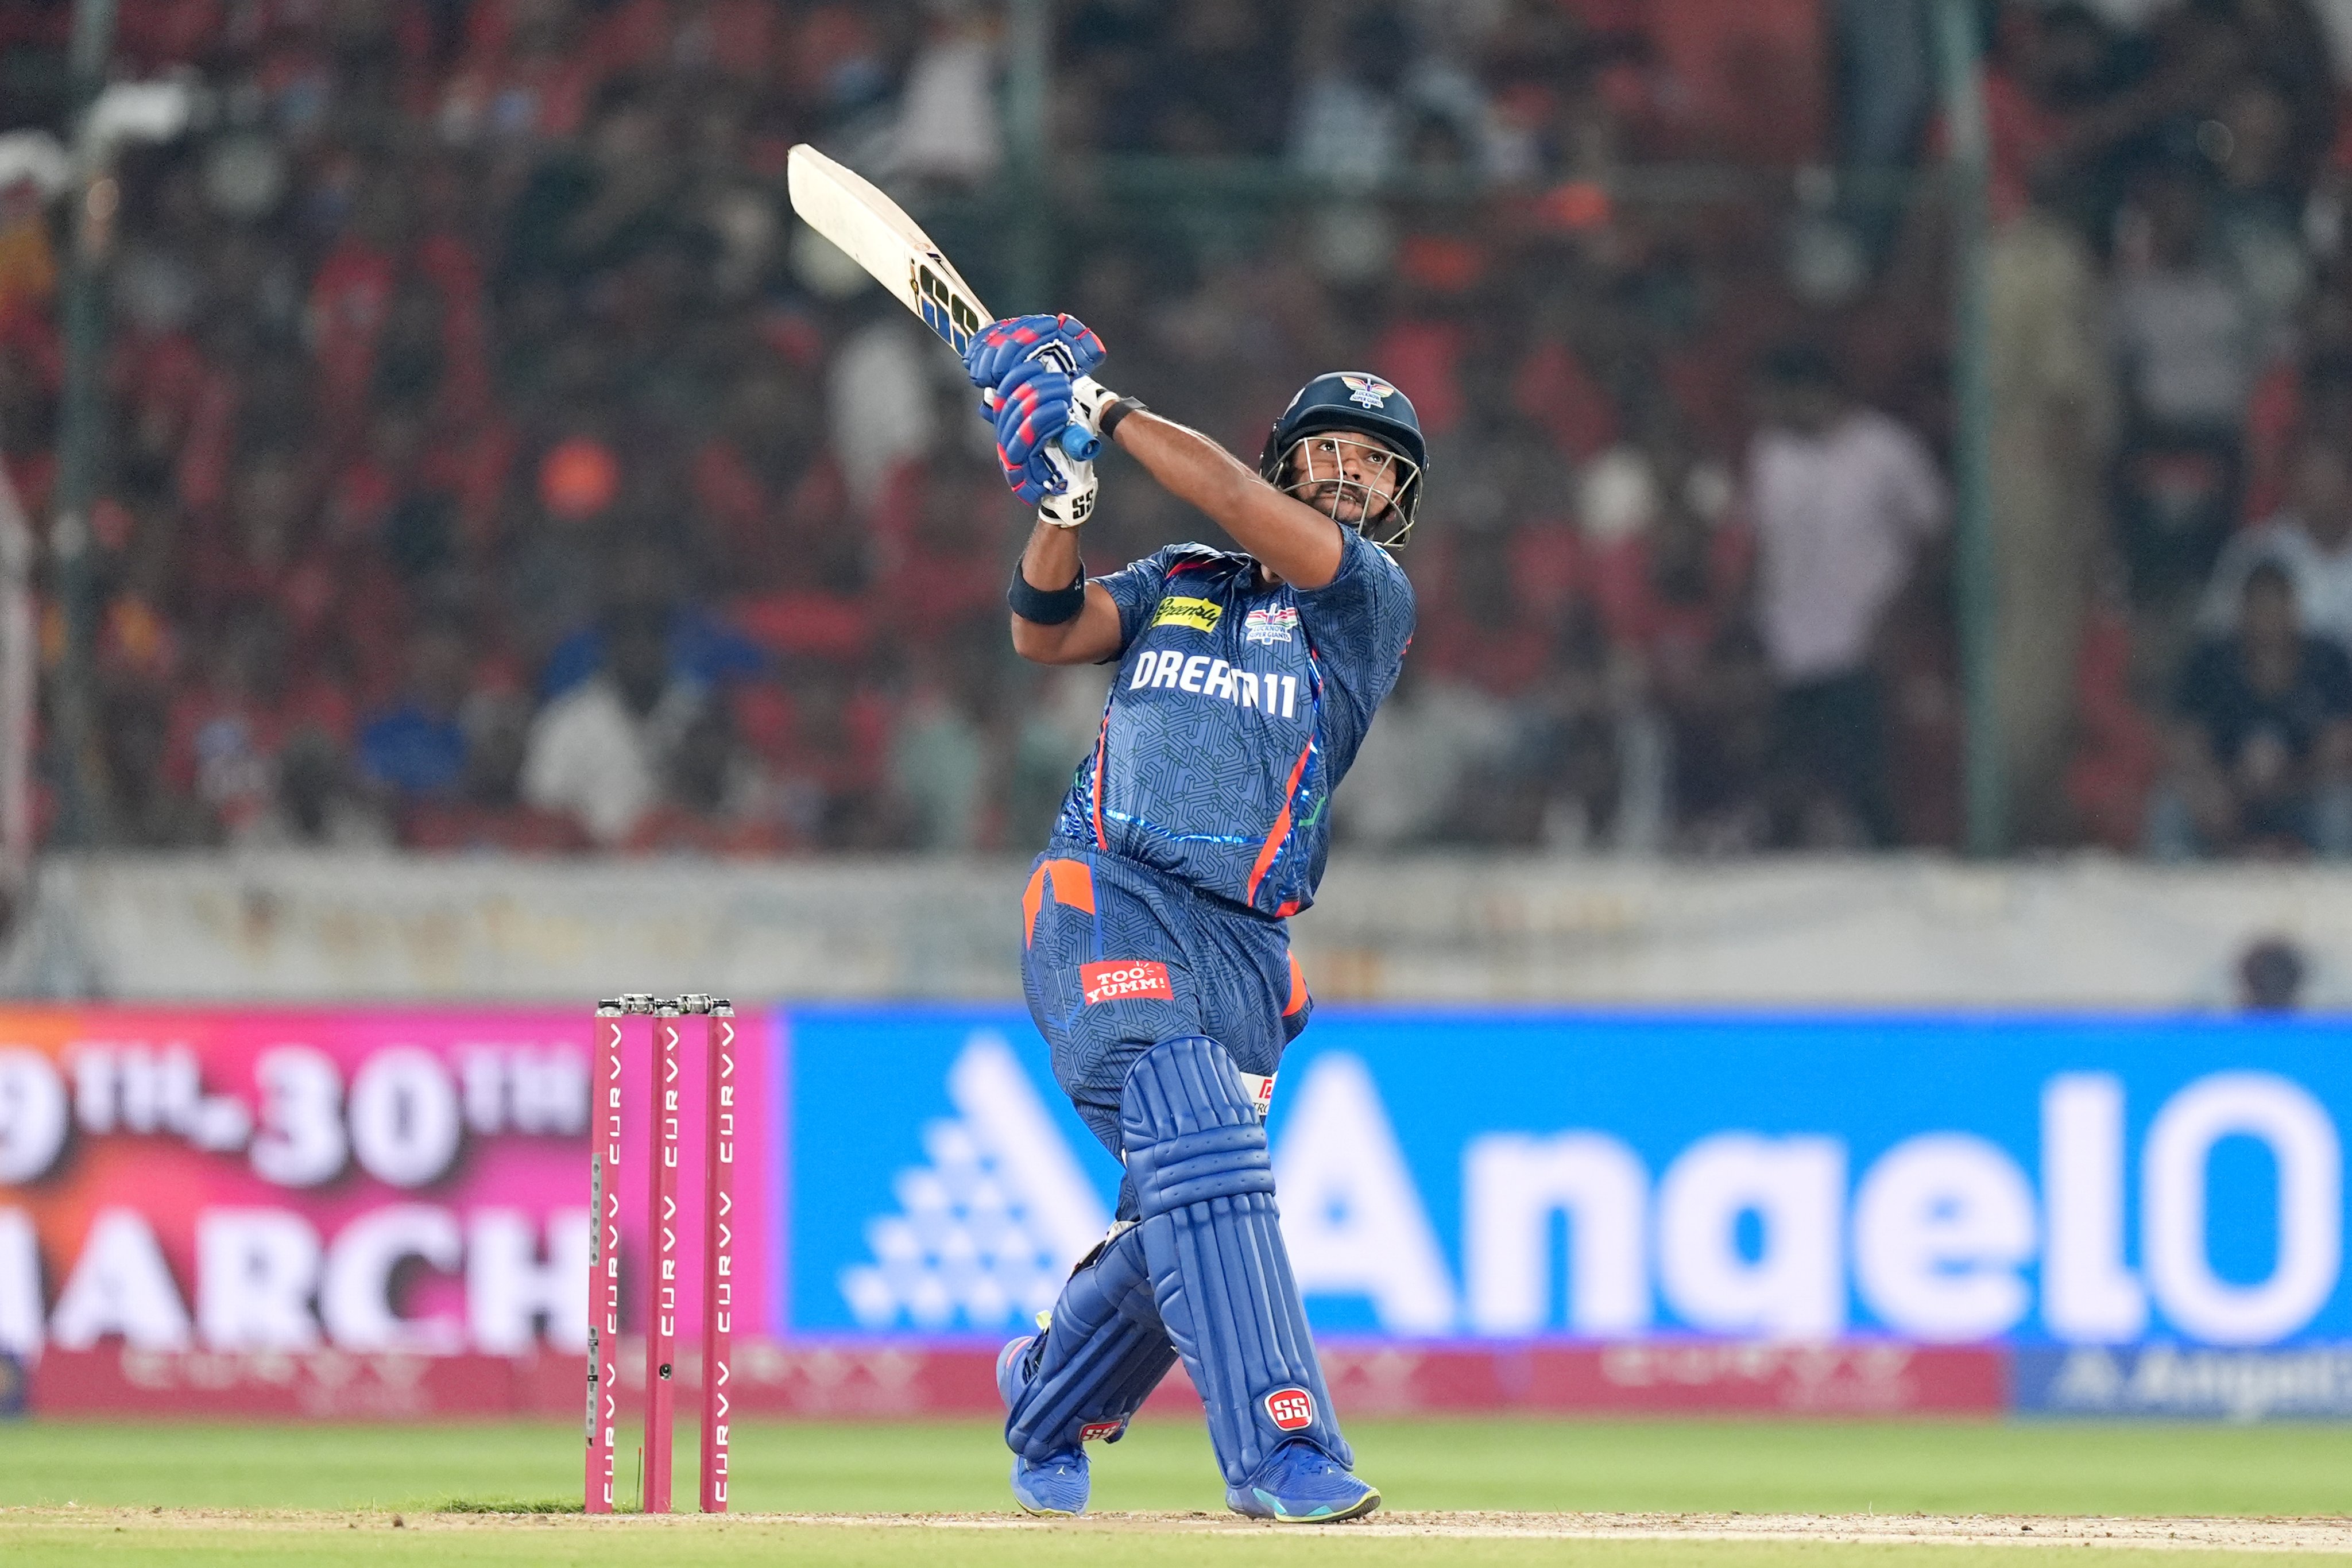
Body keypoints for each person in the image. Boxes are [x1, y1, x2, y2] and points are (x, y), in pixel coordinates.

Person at [970, 313, 1419, 1524]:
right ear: (1289, 454)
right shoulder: (1180, 578)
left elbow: (1223, 490)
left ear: (1395, 499)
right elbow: (1044, 629)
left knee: (1176, 1212)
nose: (1351, 470)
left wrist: (1102, 412)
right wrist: (1063, 502)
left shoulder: (1364, 601)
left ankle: (1045, 1394)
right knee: (1201, 1141)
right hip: (1107, 891)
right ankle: (1284, 1449)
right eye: (1330, 446)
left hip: (1244, 946)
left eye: (1377, 462)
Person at [2149, 561, 2352, 859]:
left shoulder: (2327, 661)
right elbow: (2184, 740)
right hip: (2225, 796)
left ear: (2294, 610)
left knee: (2338, 810)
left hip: (2303, 794)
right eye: (2259, 608)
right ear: (2241, 611)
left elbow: (2340, 743)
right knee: (2171, 808)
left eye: (2277, 608)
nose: (2268, 620)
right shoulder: (2210, 662)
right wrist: (2214, 784)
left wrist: (2289, 776)